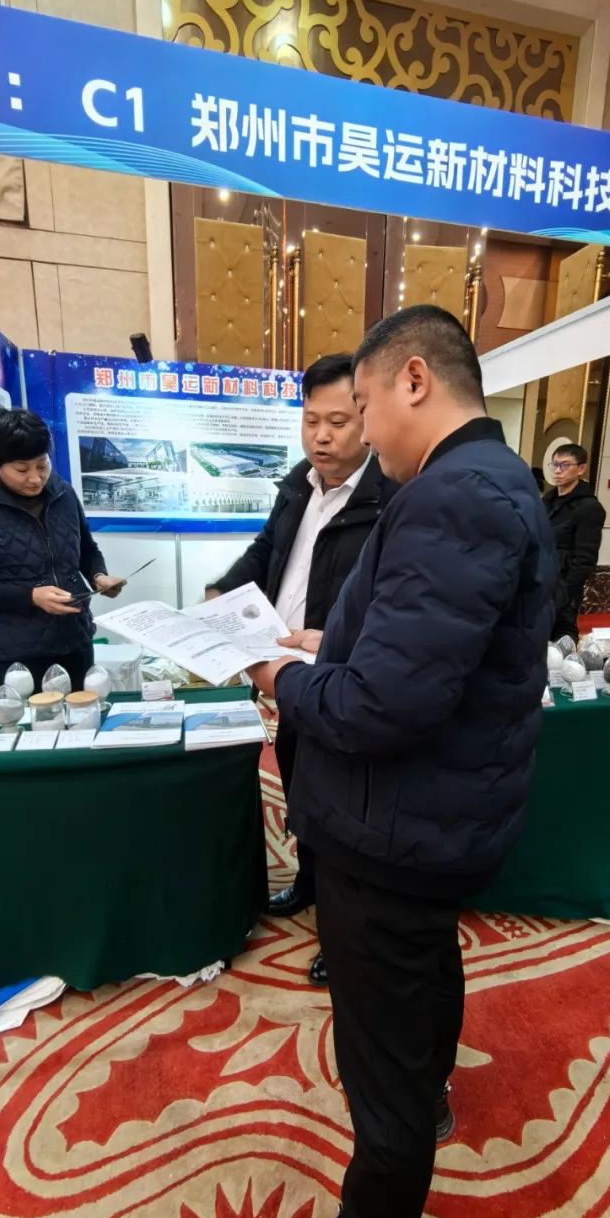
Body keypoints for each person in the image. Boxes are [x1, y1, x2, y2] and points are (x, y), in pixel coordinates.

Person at [247, 306, 557, 1218]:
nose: (364, 431)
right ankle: (427, 1100)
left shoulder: (452, 495)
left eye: (367, 404)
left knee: (379, 1045)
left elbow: (384, 706)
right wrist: (328, 642)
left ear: (413, 379)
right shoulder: (483, 481)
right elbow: (427, 649)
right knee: (420, 986)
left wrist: (280, 678)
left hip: (395, 828)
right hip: (428, 820)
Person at [207, 353, 397, 985]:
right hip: (288, 675)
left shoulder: (388, 498)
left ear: (366, 418)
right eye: (311, 420)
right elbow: (268, 550)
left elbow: (392, 604)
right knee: (302, 795)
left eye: (338, 422)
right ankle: (310, 884)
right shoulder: (298, 484)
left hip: (341, 678)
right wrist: (222, 591)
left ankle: (344, 938)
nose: (322, 436)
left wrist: (336, 640)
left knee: (345, 812)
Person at [0, 407, 127, 695]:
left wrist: (98, 576)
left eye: (42, 465)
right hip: (14, 659)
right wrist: (30, 597)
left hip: (75, 644)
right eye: (21, 469)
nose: (35, 479)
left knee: (84, 718)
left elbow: (86, 549)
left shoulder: (64, 493)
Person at [543, 442, 606, 643]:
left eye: (565, 465)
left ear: (581, 468)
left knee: (562, 634)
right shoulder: (547, 502)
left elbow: (585, 558)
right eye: (555, 465)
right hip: (539, 579)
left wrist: (565, 590)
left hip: (564, 583)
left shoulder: (589, 507)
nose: (558, 471)